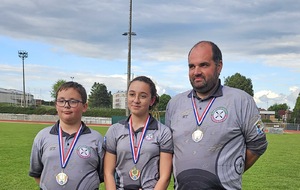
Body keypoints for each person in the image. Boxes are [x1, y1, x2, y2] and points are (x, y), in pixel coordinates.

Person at [165, 41, 268, 190]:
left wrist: (233, 171)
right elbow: (168, 151)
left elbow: (258, 145)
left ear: (219, 66)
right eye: (191, 66)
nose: (196, 71)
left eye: (204, 65)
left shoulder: (241, 100)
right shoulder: (174, 104)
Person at [29, 81, 104, 190]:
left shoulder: (97, 139)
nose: (66, 106)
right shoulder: (42, 136)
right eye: (61, 101)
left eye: (73, 101)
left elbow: (102, 175)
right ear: (56, 105)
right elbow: (36, 173)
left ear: (84, 106)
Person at [104, 76, 173, 190]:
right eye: (132, 94)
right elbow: (108, 173)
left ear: (152, 100)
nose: (136, 100)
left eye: (143, 96)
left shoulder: (163, 132)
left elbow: (165, 177)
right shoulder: (115, 130)